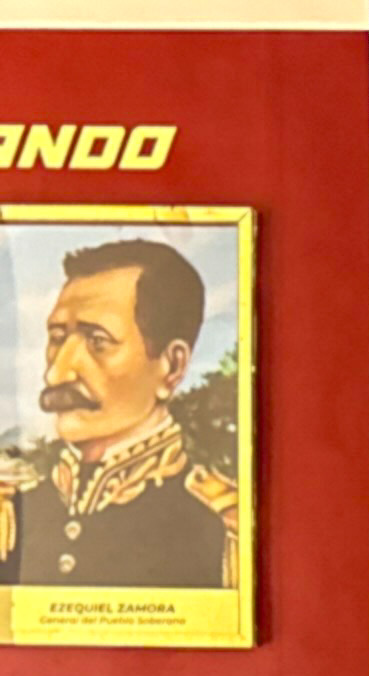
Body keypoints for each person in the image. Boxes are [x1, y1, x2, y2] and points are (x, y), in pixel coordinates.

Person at [3, 240, 238, 591]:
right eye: (56, 338)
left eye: (98, 341)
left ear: (172, 367)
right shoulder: (14, 514)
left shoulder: (222, 528)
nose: (56, 374)